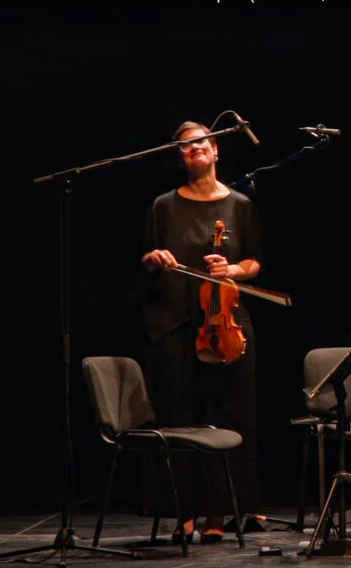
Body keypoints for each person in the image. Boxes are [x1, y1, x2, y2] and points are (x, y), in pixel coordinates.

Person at [140, 121, 262, 544]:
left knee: (224, 416)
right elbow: (147, 257)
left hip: (224, 325)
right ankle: (183, 511)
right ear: (181, 158)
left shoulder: (240, 204)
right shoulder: (163, 206)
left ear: (216, 150)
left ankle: (218, 512)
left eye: (201, 142)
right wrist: (154, 258)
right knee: (180, 417)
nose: (194, 149)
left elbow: (254, 262)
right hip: (174, 323)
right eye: (185, 146)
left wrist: (232, 270)